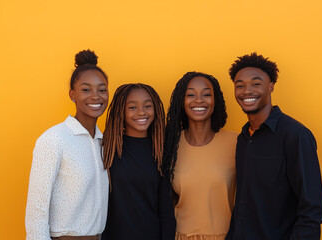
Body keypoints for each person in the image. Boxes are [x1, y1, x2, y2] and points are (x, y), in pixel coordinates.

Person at [225, 53, 322, 240]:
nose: (247, 91)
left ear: (270, 87)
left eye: (256, 83)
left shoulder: (295, 135)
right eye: (240, 85)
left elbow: (312, 211)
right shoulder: (243, 139)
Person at [25, 49, 109, 240]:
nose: (96, 96)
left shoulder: (103, 142)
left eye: (102, 89)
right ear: (72, 95)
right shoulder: (54, 139)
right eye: (86, 90)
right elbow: (36, 210)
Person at [163, 72, 237, 240]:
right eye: (190, 94)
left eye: (206, 94)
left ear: (215, 100)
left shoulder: (236, 143)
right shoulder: (170, 145)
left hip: (227, 236)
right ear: (182, 101)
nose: (199, 100)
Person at [101, 83, 176, 240]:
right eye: (132, 107)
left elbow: (166, 210)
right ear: (121, 111)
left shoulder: (161, 150)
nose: (141, 112)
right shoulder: (107, 148)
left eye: (147, 106)